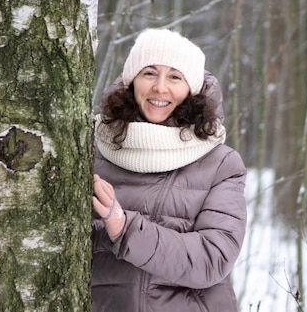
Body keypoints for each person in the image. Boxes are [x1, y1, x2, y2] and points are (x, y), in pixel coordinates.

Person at [91, 28, 247, 312]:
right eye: (149, 73)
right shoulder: (96, 151)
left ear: (192, 89)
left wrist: (125, 229)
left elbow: (212, 259)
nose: (160, 88)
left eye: (175, 77)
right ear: (131, 81)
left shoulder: (220, 164)